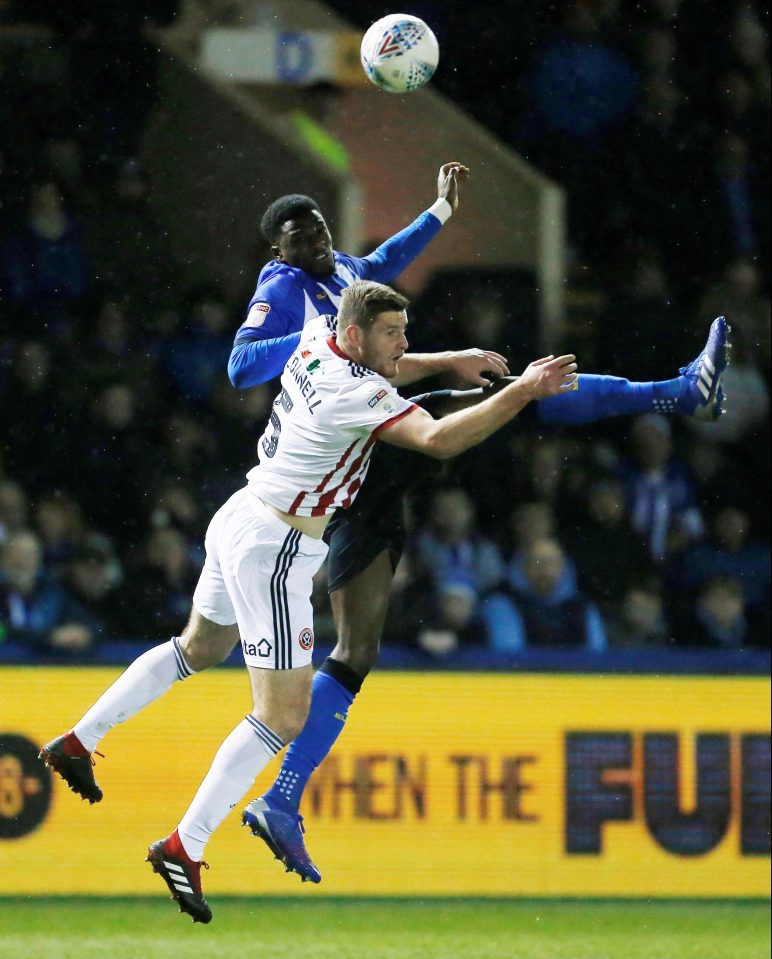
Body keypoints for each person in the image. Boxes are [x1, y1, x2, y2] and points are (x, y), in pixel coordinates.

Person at [39, 280, 579, 924]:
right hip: (280, 545)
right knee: (282, 716)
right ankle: (186, 844)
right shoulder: (359, 391)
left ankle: (80, 738)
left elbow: (392, 365)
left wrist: (443, 359)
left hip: (240, 510)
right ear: (356, 336)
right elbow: (438, 440)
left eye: (406, 331)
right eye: (392, 332)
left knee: (199, 647)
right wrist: (524, 390)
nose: (404, 343)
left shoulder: (319, 337)